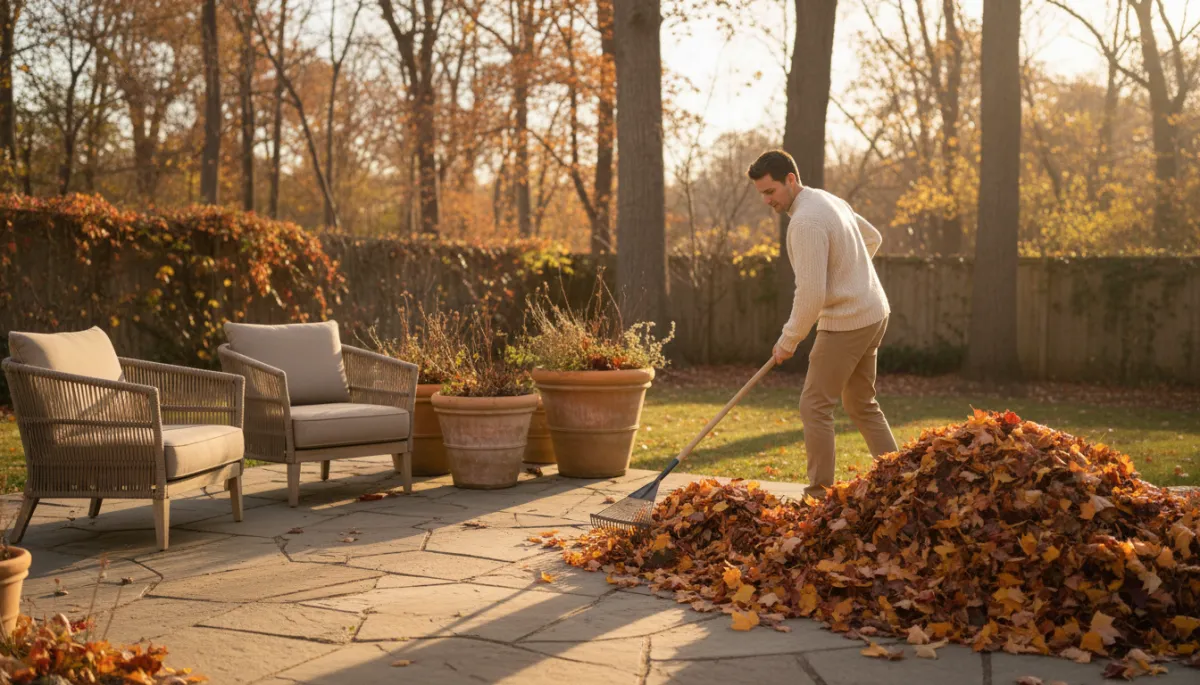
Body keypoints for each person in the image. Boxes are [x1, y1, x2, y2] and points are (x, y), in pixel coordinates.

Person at [746, 149, 898, 500]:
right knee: (861, 403)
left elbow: (811, 293)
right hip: (874, 311)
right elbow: (872, 237)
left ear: (790, 179)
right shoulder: (828, 201)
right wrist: (850, 276)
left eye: (771, 191)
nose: (767, 200)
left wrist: (790, 339)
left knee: (815, 405)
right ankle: (900, 478)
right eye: (762, 195)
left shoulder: (805, 222)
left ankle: (819, 497)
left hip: (847, 321)